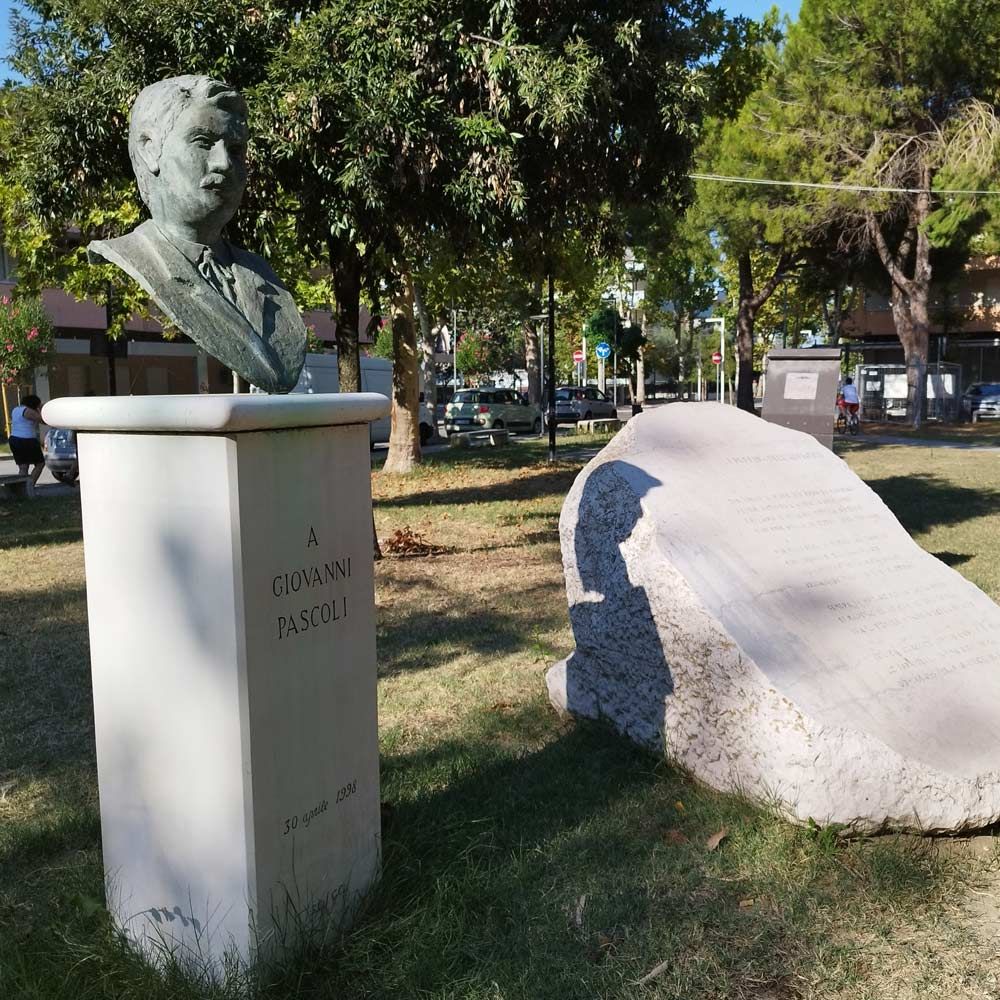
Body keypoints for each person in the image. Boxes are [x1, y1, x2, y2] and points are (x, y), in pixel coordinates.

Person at [87, 76, 306, 393]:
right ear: (150, 150)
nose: (224, 164)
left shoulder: (262, 275)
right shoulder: (133, 258)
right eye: (203, 142)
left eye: (236, 149)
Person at [9, 394, 44, 486]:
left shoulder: (16, 409)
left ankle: (21, 489)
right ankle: (30, 486)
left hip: (14, 439)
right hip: (27, 440)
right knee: (40, 464)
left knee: (23, 467)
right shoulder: (29, 411)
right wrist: (40, 409)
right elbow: (43, 420)